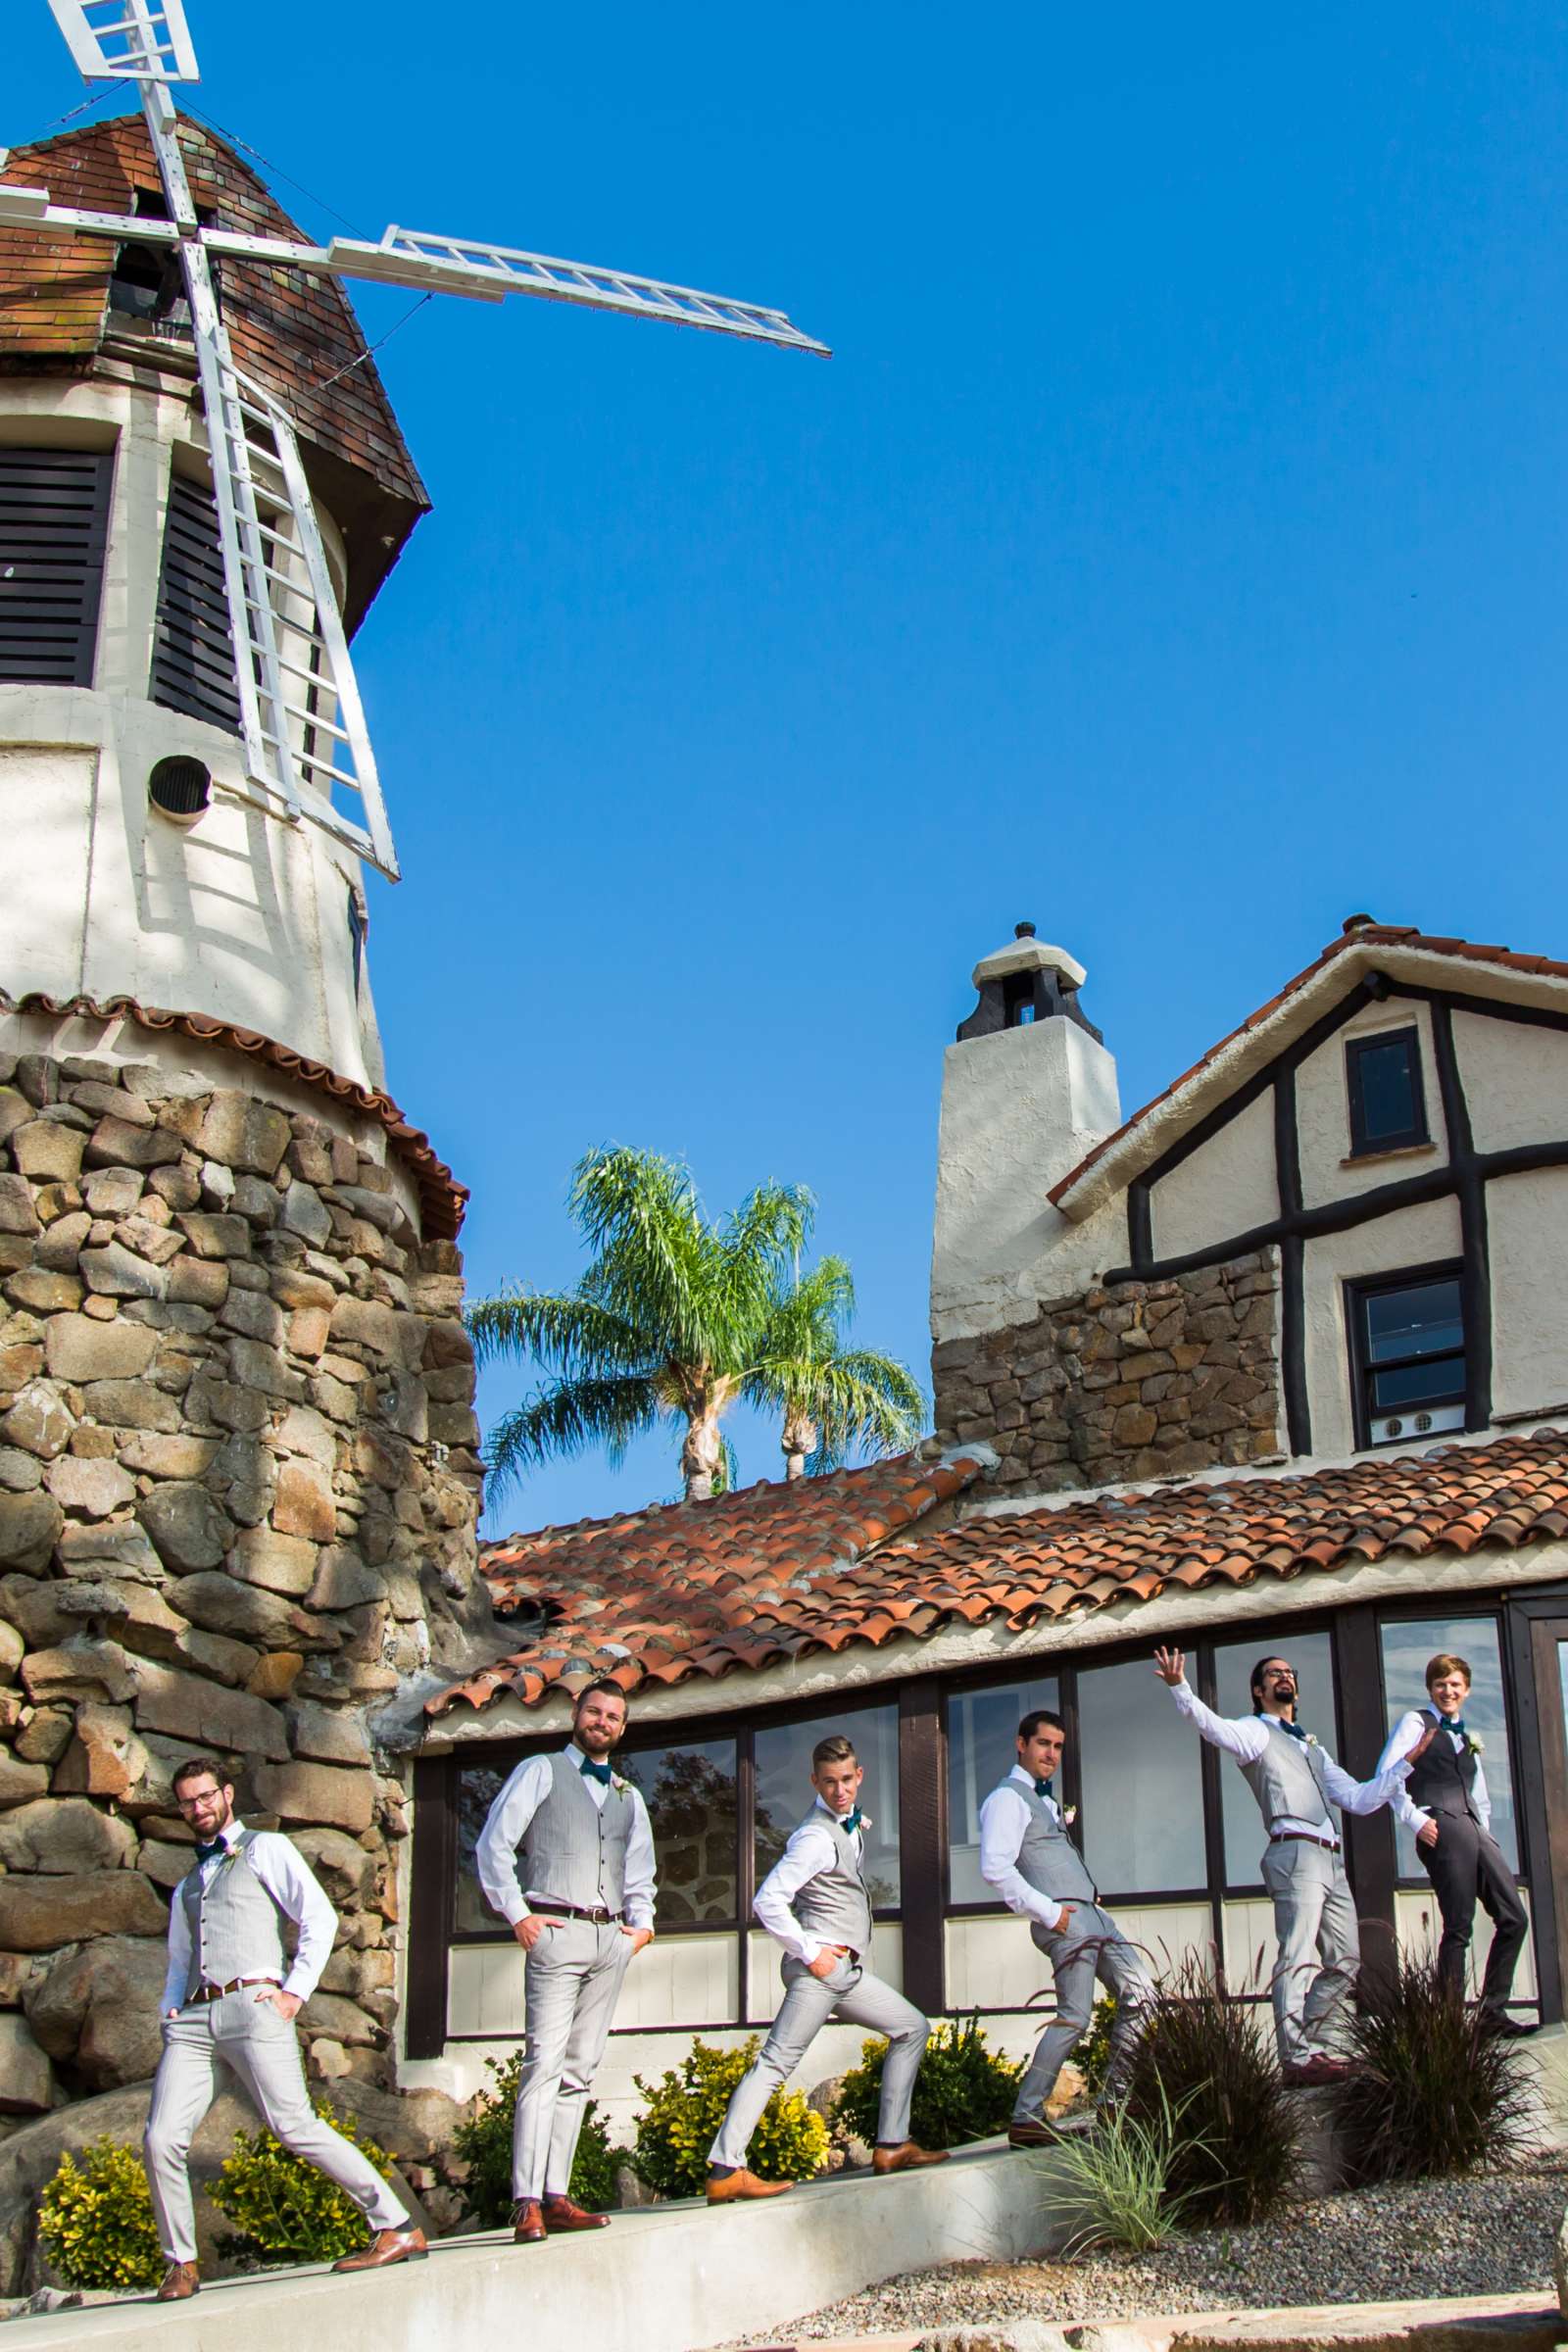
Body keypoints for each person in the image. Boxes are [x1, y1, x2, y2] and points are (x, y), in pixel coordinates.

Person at [143, 1756, 424, 2301]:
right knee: (160, 2138)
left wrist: (295, 1991)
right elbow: (180, 1959)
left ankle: (396, 2225)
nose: (198, 1808)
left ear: (226, 1794)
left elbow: (317, 1916)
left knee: (294, 2126)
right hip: (195, 2019)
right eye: (187, 1802)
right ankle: (181, 2262)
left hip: (254, 2005)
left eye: (206, 1797)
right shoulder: (187, 1885)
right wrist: (169, 2009)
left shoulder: (265, 1849)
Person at [1154, 1646, 1432, 2083]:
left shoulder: (1312, 1747)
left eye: (1289, 1671)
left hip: (1332, 1858)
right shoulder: (1255, 1732)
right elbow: (1213, 1728)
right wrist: (1180, 1688)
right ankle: (1295, 2059)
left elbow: (1361, 1799)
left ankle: (1314, 2048)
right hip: (1295, 1851)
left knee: (1346, 1960)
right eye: (1273, 1672)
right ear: (1259, 1689)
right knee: (1297, 1955)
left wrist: (1404, 1766)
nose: (1284, 1676)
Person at [706, 1732, 947, 2203]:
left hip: (843, 1973)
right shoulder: (816, 1837)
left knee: (912, 2027)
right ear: (815, 1782)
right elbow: (768, 1900)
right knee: (775, 2062)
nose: (839, 1791)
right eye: (829, 1783)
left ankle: (892, 2145)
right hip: (821, 1971)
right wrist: (808, 1950)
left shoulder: (848, 1827)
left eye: (846, 1780)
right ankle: (724, 2168)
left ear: (859, 1777)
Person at [475, 1679, 656, 2243]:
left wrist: (641, 1928)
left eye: (614, 1717)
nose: (603, 1722)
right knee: (544, 2064)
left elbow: (640, 1869)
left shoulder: (629, 1795)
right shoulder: (541, 1770)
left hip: (610, 1942)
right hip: (555, 1929)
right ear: (577, 1714)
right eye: (595, 1711)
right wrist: (517, 1915)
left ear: (622, 1729)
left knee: (579, 2070)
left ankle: (557, 2195)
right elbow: (492, 1846)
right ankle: (526, 2200)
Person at [979, 1707, 1154, 2147]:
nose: (1052, 1754)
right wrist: (1049, 1911)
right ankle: (1026, 2116)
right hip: (1064, 1921)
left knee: (1144, 1994)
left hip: (1095, 1917)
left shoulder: (1047, 1801)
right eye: (1043, 1744)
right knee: (1075, 2016)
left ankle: (1115, 2103)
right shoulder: (1006, 1799)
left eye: (1058, 1747)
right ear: (1021, 1744)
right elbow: (995, 1869)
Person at [1378, 1650, 1534, 2037]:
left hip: (1474, 1828)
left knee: (1514, 1917)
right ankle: (1445, 2023)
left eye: (1455, 1685)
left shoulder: (1466, 1734)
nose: (1448, 1691)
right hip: (1441, 1825)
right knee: (1459, 1925)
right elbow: (1387, 1775)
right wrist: (1416, 1820)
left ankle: (1491, 2013)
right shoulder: (1416, 1722)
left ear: (1466, 1690)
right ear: (1431, 1689)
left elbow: (1477, 1794)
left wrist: (1487, 1837)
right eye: (1440, 1684)